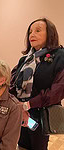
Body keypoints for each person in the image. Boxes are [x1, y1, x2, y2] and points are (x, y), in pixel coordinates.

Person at [10, 17, 64, 150]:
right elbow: (11, 83)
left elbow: (58, 90)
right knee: (22, 146)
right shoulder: (25, 59)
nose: (32, 35)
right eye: (30, 32)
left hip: (42, 115)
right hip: (20, 114)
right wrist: (18, 106)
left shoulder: (60, 56)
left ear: (49, 34)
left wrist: (28, 105)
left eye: (38, 31)